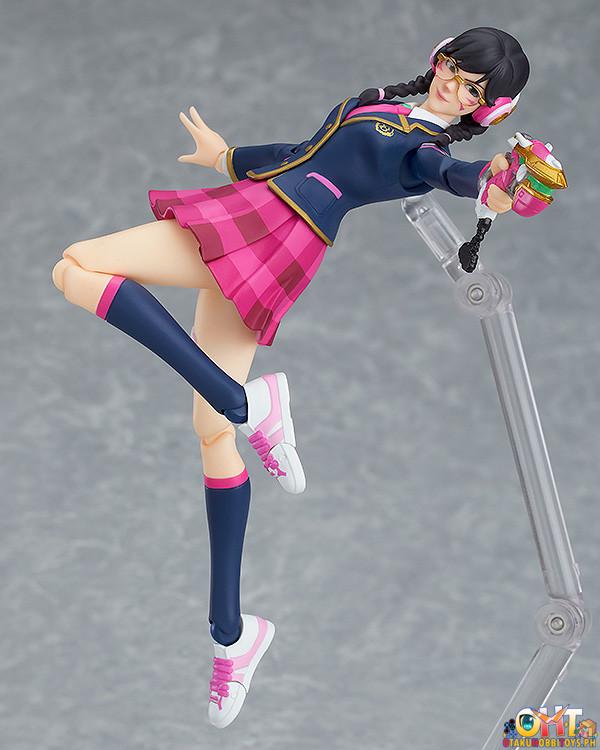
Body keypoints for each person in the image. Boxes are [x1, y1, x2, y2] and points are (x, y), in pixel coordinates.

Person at [52, 26, 530, 728]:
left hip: (271, 229)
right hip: (262, 212)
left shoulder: (424, 149)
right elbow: (304, 151)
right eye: (454, 68)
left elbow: (450, 174)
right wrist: (228, 157)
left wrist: (490, 182)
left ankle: (248, 401)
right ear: (441, 56)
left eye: (471, 88)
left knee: (77, 266)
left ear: (485, 108)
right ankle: (232, 633)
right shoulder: (380, 102)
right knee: (210, 432)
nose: (452, 85)